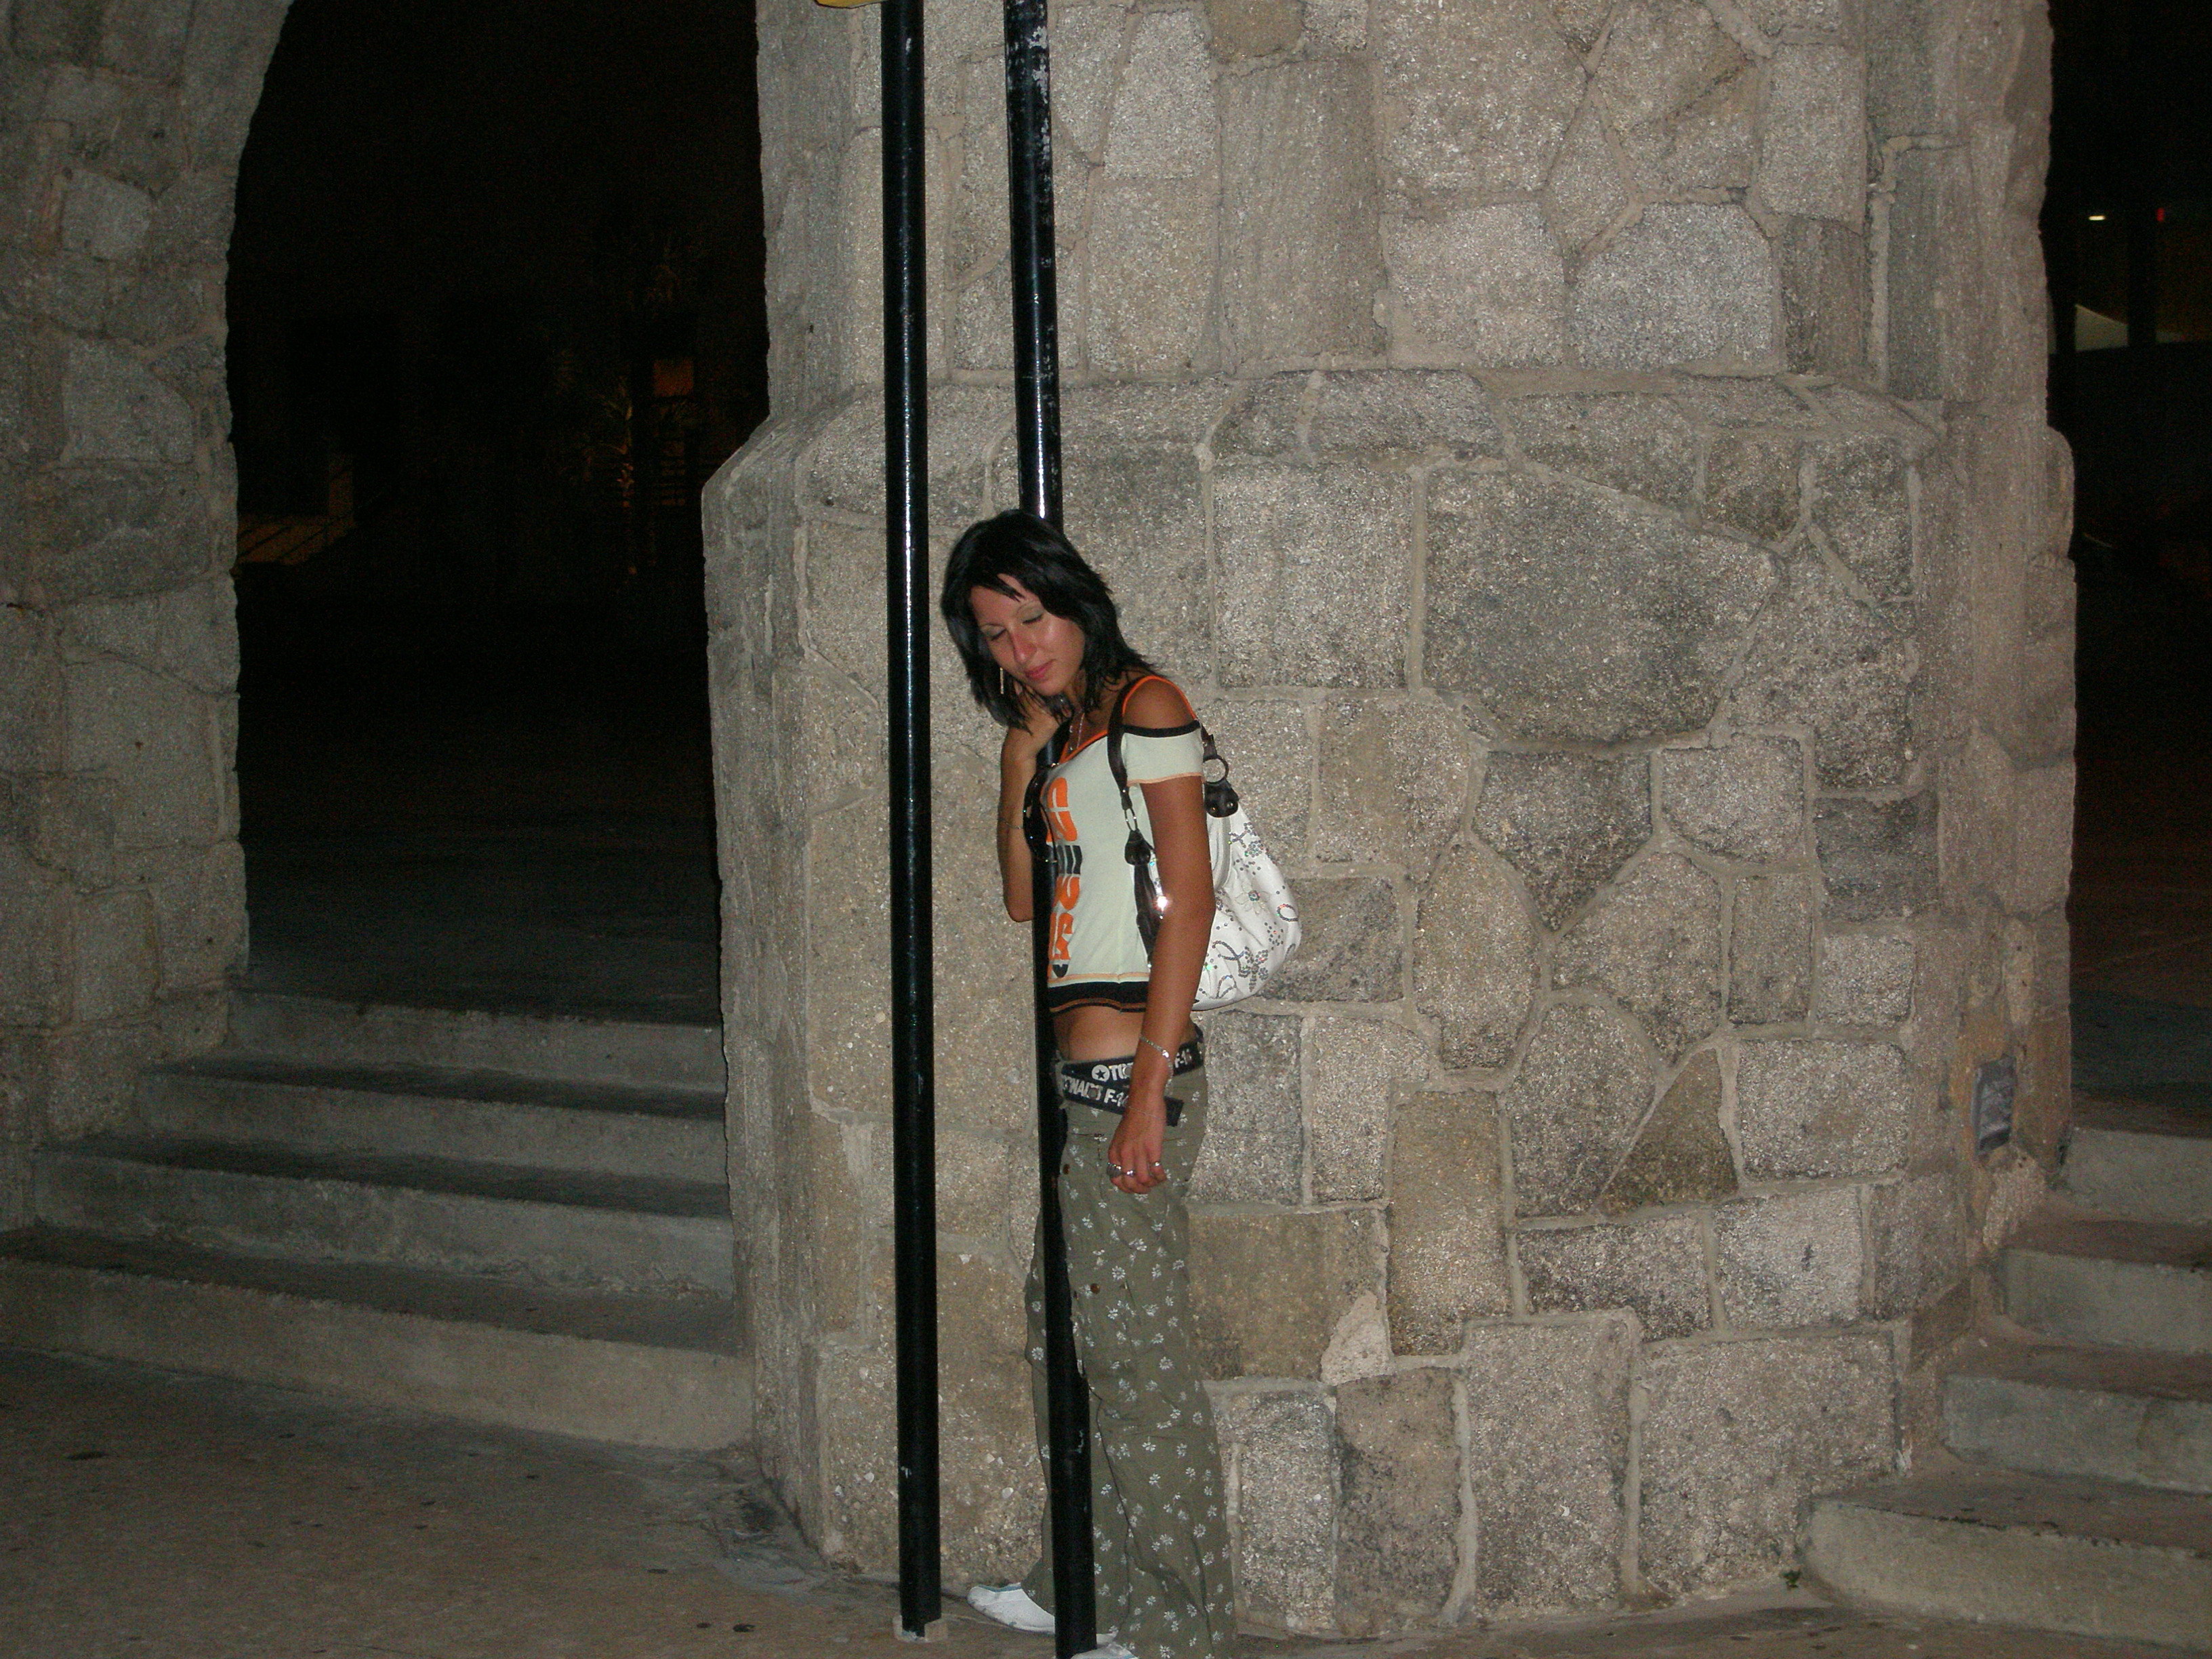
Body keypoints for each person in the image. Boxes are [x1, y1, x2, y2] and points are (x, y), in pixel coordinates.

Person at [940, 510, 1233, 1659]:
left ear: (1076, 602)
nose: (1023, 648)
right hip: (1086, 1083)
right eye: (996, 634)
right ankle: (1081, 1582)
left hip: (1130, 1075)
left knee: (1138, 1361)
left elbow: (1190, 900)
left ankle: (1178, 1626)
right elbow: (1026, 900)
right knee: (1068, 1334)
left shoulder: (1149, 707)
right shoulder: (1065, 738)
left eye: (1034, 617)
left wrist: (1149, 1089)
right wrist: (1019, 754)